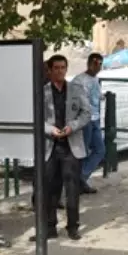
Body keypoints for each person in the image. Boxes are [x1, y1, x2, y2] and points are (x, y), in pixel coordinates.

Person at [37, 54, 91, 242]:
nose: (60, 71)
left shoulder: (76, 90)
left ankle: (73, 227)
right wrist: (50, 129)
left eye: (63, 68)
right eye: (56, 68)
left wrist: (72, 127)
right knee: (49, 189)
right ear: (50, 71)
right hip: (50, 145)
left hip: (71, 146)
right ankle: (49, 227)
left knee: (72, 189)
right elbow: (36, 118)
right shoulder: (42, 92)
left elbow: (86, 113)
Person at [70, 52, 105, 194]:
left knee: (100, 150)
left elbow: (95, 96)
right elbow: (79, 101)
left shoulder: (95, 79)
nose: (98, 67)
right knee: (82, 152)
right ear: (89, 63)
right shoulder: (79, 80)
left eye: (100, 64)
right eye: (95, 63)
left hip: (95, 120)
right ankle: (77, 181)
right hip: (85, 121)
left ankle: (81, 177)